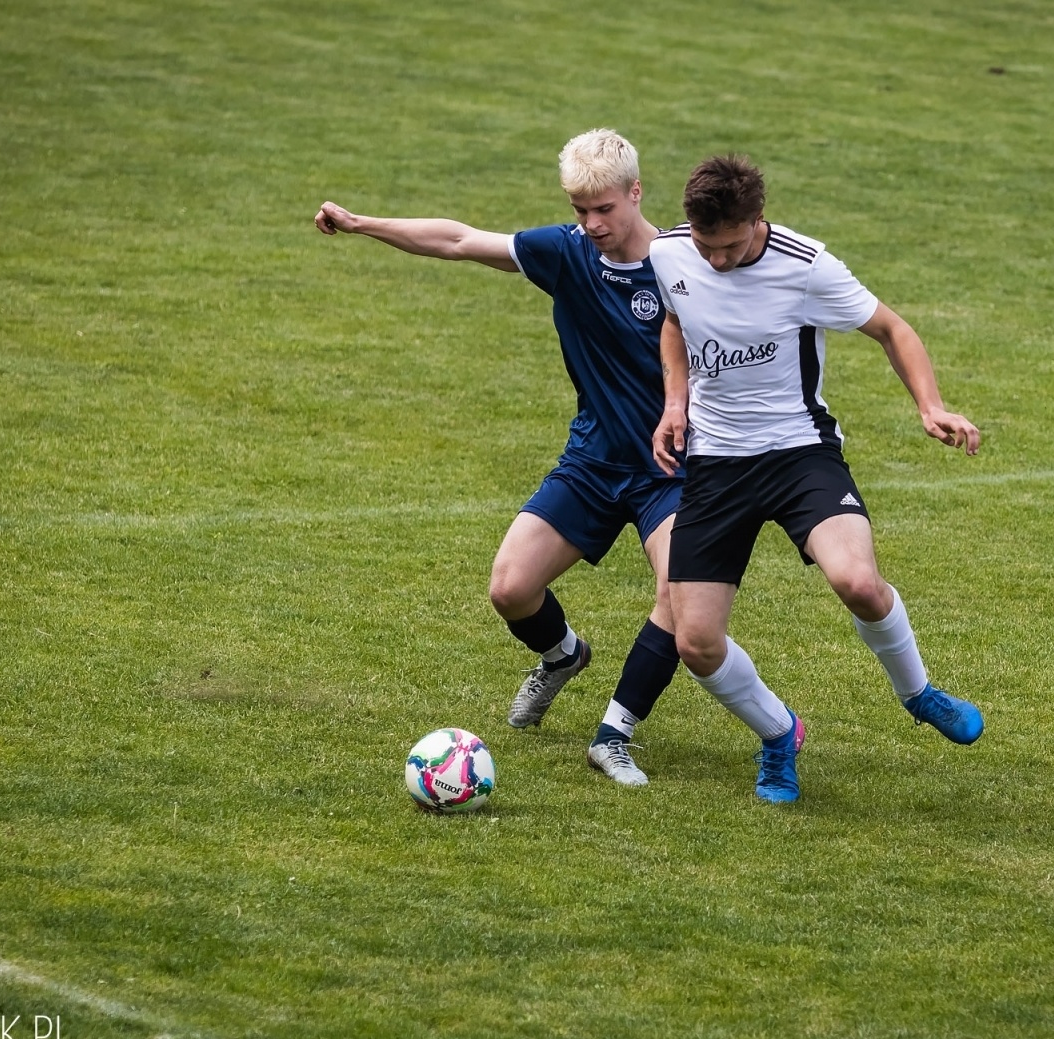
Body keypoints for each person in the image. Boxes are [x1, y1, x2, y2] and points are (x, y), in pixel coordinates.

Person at [315, 129, 681, 786]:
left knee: (681, 594)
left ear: (635, 192)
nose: (592, 224)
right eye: (579, 210)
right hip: (594, 462)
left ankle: (614, 733)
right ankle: (563, 655)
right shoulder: (567, 254)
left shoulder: (685, 264)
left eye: (604, 208)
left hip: (673, 470)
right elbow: (459, 240)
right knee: (510, 588)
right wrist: (361, 223)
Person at [648, 154, 985, 804]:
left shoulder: (806, 266)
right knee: (695, 642)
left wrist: (930, 404)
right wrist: (675, 403)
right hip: (717, 465)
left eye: (728, 246)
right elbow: (674, 322)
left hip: (799, 454)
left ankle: (919, 694)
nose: (715, 260)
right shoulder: (671, 254)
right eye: (704, 246)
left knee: (857, 580)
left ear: (756, 221)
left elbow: (891, 328)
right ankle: (779, 734)